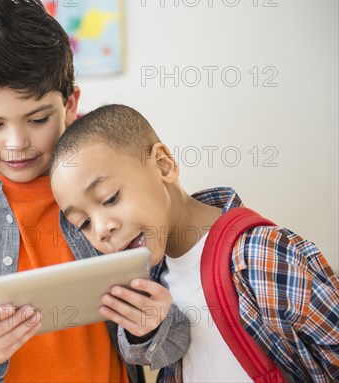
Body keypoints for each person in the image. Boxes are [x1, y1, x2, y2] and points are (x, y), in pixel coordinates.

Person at [0, 0, 189, 383]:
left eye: (37, 119)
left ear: (70, 104)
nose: (17, 143)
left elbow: (175, 333)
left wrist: (152, 326)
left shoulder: (115, 194)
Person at [49, 104, 339, 382]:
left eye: (111, 198)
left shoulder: (259, 254)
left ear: (163, 165)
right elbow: (152, 354)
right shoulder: (148, 278)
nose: (102, 229)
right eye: (83, 223)